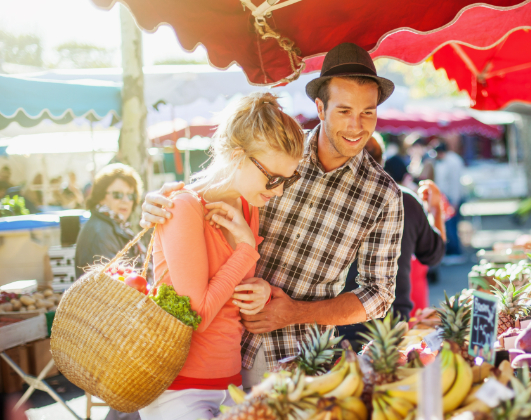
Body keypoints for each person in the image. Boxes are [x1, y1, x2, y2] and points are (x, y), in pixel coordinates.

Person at [139, 42, 403, 385]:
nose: (357, 126)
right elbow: (210, 193)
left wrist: (294, 312)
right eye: (344, 111)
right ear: (321, 108)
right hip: (223, 344)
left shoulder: (383, 196)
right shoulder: (276, 151)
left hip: (301, 357)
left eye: (368, 112)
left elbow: (379, 294)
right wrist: (160, 205)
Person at [137, 92, 302, 419]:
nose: (279, 190)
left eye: (289, 179)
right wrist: (246, 251)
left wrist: (262, 292)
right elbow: (197, 316)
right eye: (274, 178)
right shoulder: (182, 207)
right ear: (238, 155)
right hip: (178, 389)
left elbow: (228, 295)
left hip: (228, 384)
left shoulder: (248, 208)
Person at [337, 136, 445, 346]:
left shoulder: (331, 200)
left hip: (335, 326)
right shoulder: (405, 200)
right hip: (391, 329)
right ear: (382, 161)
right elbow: (434, 255)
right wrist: (436, 210)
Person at [75, 164, 144, 277]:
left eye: (131, 195)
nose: (126, 200)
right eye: (117, 195)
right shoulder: (100, 233)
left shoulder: (116, 226)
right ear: (100, 197)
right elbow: (111, 287)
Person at [433, 141, 465, 257]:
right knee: (448, 225)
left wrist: (455, 201)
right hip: (446, 197)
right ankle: (452, 250)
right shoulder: (445, 161)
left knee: (451, 225)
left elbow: (455, 183)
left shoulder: (453, 162)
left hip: (451, 198)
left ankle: (454, 251)